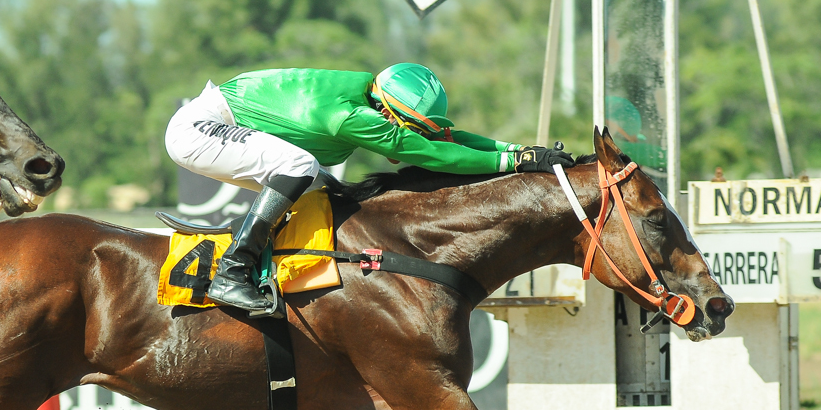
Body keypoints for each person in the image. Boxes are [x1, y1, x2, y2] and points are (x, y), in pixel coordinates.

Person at [165, 63, 574, 315]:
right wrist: (513, 164)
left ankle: (259, 266)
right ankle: (232, 271)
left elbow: (442, 137)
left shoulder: (374, 96)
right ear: (388, 113)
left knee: (316, 185)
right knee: (299, 167)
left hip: (224, 121)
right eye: (407, 127)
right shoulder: (350, 116)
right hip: (199, 128)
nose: (410, 135)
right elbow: (434, 154)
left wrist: (518, 151)